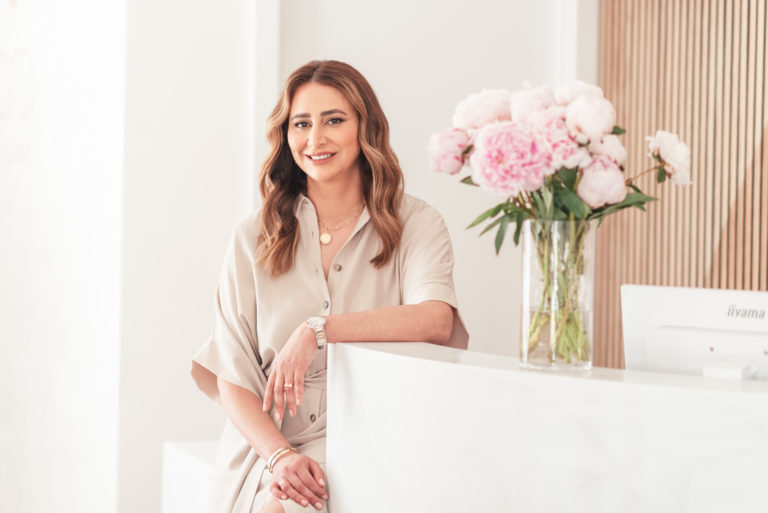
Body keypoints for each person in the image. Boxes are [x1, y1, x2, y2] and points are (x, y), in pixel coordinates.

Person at [191, 59, 469, 513]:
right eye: (301, 124)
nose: (315, 139)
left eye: (334, 120)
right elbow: (231, 375)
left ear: (365, 128)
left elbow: (436, 320)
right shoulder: (252, 236)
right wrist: (280, 456)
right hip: (266, 444)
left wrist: (318, 329)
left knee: (287, 507)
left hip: (370, 431)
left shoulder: (417, 223)